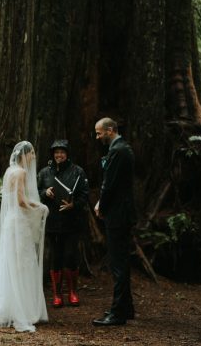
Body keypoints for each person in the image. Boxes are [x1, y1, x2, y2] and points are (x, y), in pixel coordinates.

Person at [0, 141, 49, 332]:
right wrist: (40, 207)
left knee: (11, 263)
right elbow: (21, 201)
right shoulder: (21, 173)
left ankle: (7, 309)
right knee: (22, 264)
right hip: (19, 223)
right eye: (32, 154)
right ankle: (23, 310)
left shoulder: (9, 171)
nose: (33, 158)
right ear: (25, 154)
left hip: (10, 222)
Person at [92, 118, 136, 326]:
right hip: (122, 212)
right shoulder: (122, 148)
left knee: (118, 264)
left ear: (110, 130)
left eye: (99, 133)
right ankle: (126, 308)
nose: (97, 137)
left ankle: (117, 313)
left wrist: (102, 205)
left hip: (118, 214)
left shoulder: (118, 151)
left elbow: (109, 183)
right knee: (121, 261)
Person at [38, 139, 89, 308]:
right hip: (52, 222)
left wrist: (73, 205)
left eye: (62, 152)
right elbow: (35, 192)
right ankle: (57, 295)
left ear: (67, 154)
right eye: (56, 152)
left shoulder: (77, 172)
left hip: (71, 222)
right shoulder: (45, 173)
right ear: (52, 154)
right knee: (55, 257)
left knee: (71, 256)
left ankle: (73, 292)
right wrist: (45, 193)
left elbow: (84, 194)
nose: (59, 155)